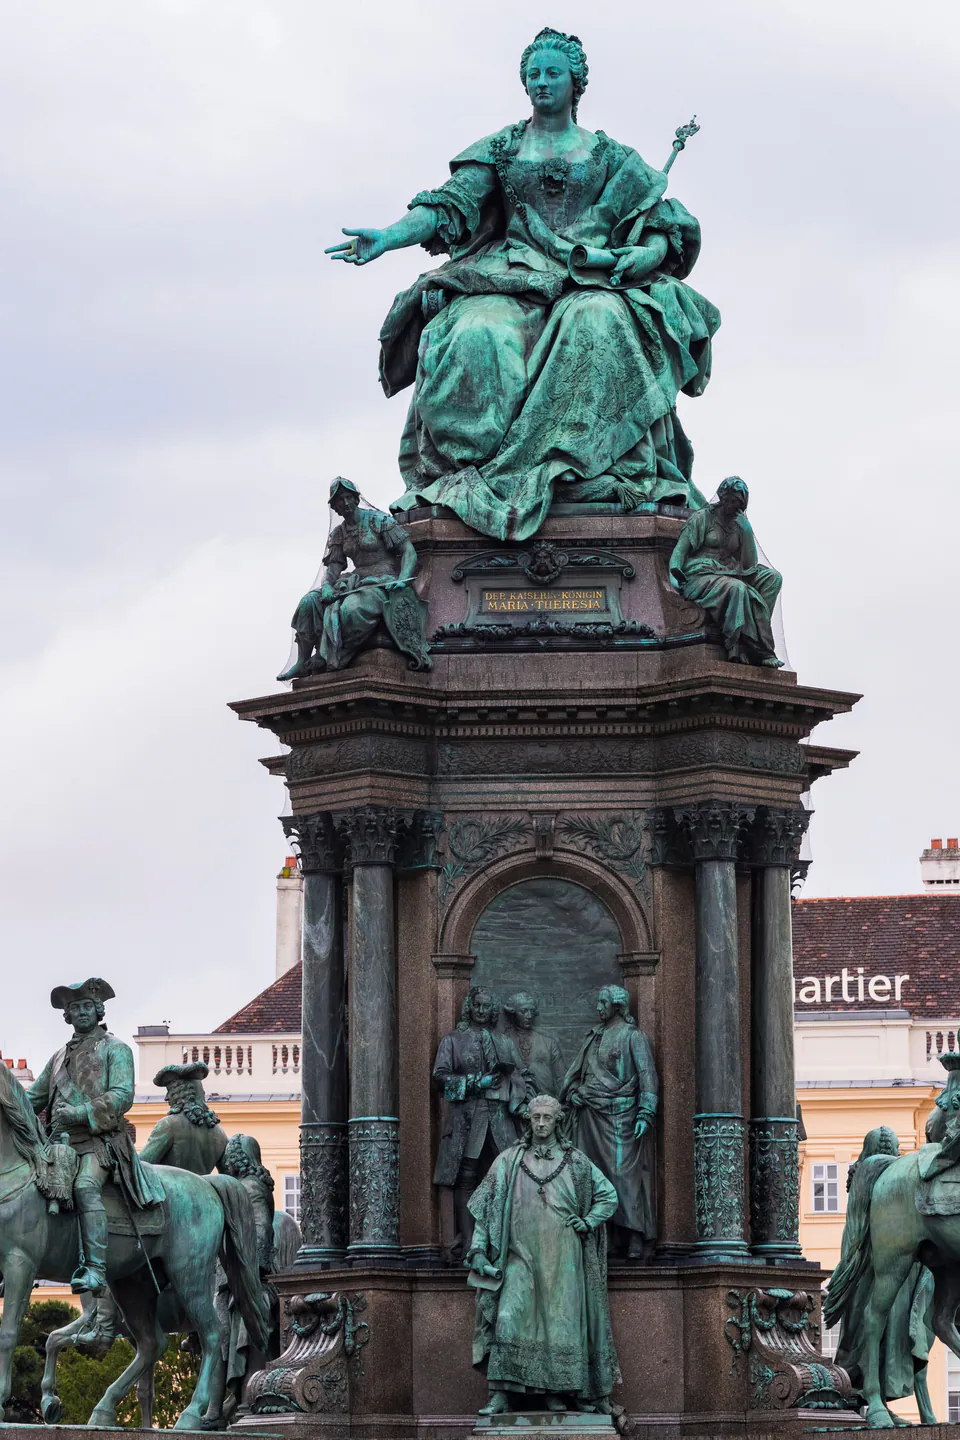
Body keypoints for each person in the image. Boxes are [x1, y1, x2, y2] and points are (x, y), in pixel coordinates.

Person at [327, 28, 720, 542]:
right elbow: (448, 204)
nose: (541, 83)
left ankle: (578, 467)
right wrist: (389, 237)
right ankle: (469, 479)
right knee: (475, 333)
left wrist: (640, 255)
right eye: (533, 74)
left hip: (588, 284)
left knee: (599, 322)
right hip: (508, 277)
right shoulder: (503, 149)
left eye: (552, 73)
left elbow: (665, 227)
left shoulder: (610, 157)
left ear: (576, 82)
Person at [467, 1094, 621, 1417]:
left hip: (564, 1261)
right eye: (535, 1117)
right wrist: (479, 1249)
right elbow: (486, 1211)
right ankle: (500, 1394)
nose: (540, 1123)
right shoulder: (508, 1160)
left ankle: (556, 1393)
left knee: (560, 1327)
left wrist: (588, 1220)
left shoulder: (576, 1161)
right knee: (508, 1317)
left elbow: (609, 1195)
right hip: (519, 1257)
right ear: (528, 1120)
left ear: (557, 1121)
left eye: (546, 1118)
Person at [27, 978, 164, 1295]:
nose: (81, 1012)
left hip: (100, 1144)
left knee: (86, 1186)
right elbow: (32, 1098)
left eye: (87, 1006)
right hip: (59, 1145)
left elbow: (121, 1096)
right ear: (68, 1015)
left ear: (98, 1010)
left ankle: (95, 1269)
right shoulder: (59, 1058)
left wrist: (80, 1113)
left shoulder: (116, 1050)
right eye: (75, 1008)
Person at [829, 1127, 935, 1424]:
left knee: (900, 1336)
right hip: (871, 1274)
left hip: (897, 1271)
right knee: (877, 1329)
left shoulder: (892, 1191)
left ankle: (886, 1404)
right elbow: (854, 1243)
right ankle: (867, 1398)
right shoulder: (868, 1187)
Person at [278, 477, 422, 678]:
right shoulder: (338, 534)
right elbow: (333, 569)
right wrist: (327, 586)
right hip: (355, 581)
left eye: (347, 498)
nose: (345, 503)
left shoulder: (379, 521)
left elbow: (408, 551)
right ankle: (302, 661)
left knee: (350, 610)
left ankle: (331, 656)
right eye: (339, 501)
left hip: (383, 582)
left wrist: (403, 579)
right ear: (335, 508)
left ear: (356, 499)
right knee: (308, 602)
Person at [563, 985, 658, 1260]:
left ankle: (634, 1235)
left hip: (622, 1116)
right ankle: (603, 1236)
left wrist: (645, 1112)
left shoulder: (633, 1036)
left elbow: (647, 1075)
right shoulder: (594, 1037)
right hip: (589, 1115)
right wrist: (572, 1094)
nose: (598, 1008)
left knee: (623, 1177)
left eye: (602, 1002)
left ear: (616, 1005)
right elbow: (576, 1075)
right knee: (592, 1177)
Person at [432, 987, 529, 1252]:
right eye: (477, 1005)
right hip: (468, 1115)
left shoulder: (504, 1041)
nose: (481, 1010)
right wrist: (476, 1082)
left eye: (486, 1006)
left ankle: (505, 1240)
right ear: (469, 1006)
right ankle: (467, 1240)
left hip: (500, 1116)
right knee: (467, 1175)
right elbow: (440, 1079)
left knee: (508, 1173)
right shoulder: (452, 1040)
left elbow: (521, 1076)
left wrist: (520, 1099)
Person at [668, 476, 783, 667]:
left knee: (773, 578)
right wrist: (673, 577)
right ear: (721, 496)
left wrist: (746, 531)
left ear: (742, 503)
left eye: (735, 501)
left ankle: (756, 637)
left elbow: (749, 565)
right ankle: (740, 646)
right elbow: (680, 552)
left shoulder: (740, 523)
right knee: (737, 589)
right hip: (700, 575)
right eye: (727, 499)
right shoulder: (703, 518)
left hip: (732, 572)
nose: (730, 505)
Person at [139, 1061, 228, 1174]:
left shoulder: (169, 1125)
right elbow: (227, 1174)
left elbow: (141, 1165)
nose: (166, 1098)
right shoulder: (220, 1133)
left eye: (170, 1091)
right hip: (205, 1190)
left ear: (180, 1093)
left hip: (171, 1190)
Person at [502, 992, 565, 1099]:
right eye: (524, 1011)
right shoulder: (502, 1041)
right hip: (513, 1104)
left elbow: (561, 1077)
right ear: (513, 1013)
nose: (529, 1016)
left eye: (532, 1011)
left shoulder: (548, 1043)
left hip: (546, 1104)